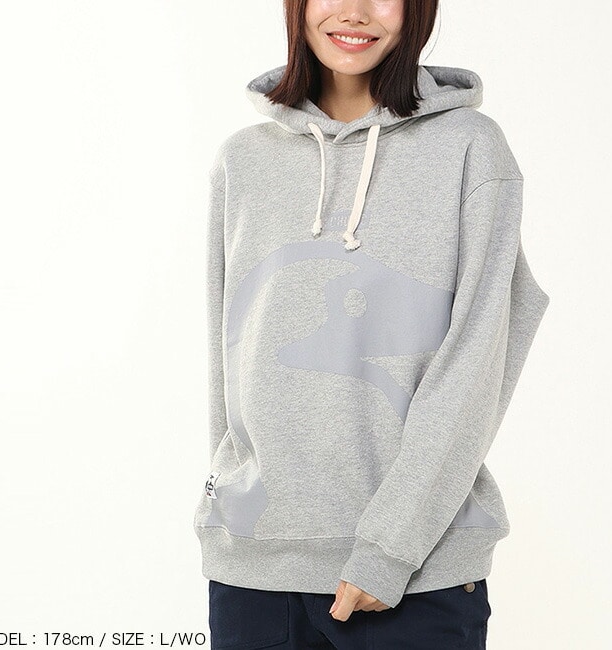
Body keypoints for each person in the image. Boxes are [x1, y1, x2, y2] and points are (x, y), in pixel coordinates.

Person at [192, 1, 550, 648]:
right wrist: (230, 513)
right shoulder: (243, 159)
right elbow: (229, 353)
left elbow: (478, 359)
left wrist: (391, 548)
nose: (354, 12)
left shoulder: (471, 148)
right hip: (252, 571)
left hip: (416, 577)